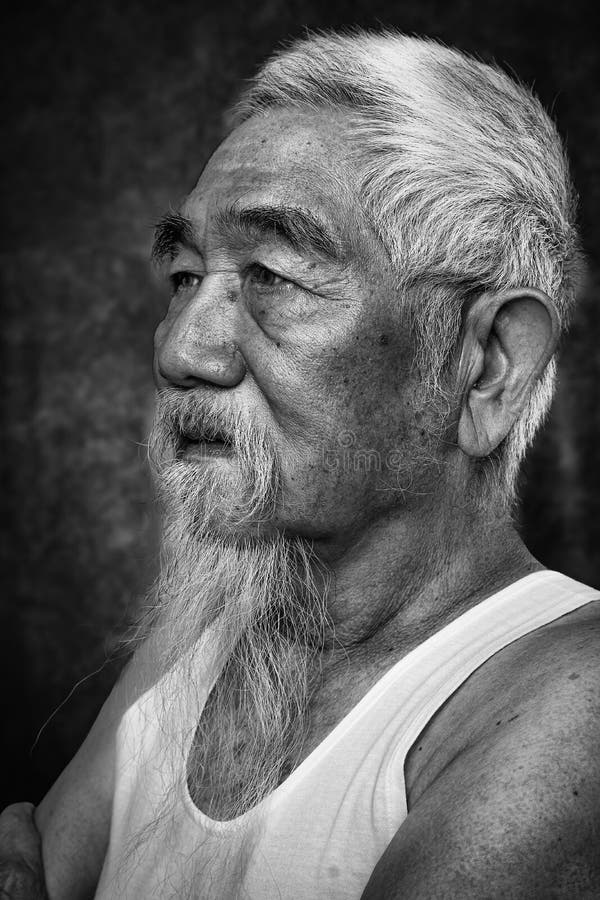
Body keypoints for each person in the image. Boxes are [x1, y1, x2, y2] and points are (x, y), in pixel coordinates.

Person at [1, 28, 599, 900]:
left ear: (487, 364)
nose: (180, 349)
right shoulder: (203, 626)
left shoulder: (571, 709)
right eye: (186, 274)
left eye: (274, 273)